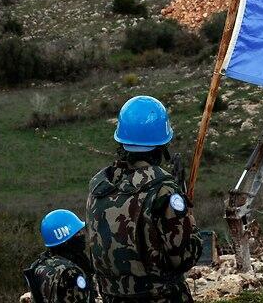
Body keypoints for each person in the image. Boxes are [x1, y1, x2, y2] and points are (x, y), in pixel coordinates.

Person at [86, 96, 202, 303]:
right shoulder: (163, 189)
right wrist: (189, 222)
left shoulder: (99, 186)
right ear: (162, 143)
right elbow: (184, 257)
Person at [24, 209, 94, 303]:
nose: (82, 235)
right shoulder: (71, 272)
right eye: (77, 233)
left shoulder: (38, 265)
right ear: (65, 236)